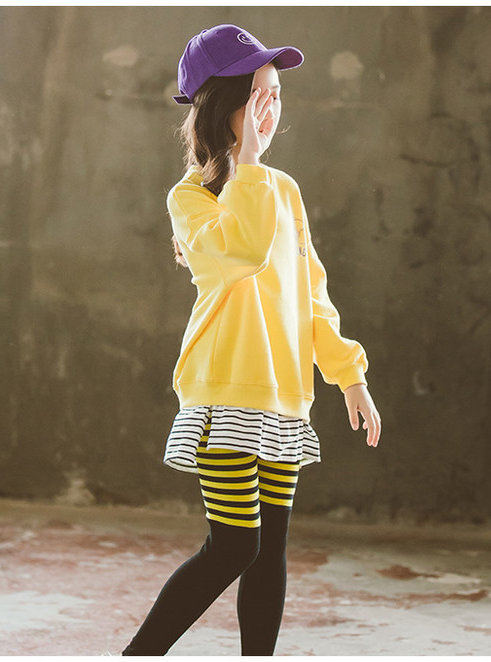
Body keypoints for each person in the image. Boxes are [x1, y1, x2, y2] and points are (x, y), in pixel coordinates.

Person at [121, 24, 381, 656]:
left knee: (270, 551)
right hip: (224, 395)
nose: (270, 108)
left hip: (284, 397)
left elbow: (311, 292)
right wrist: (250, 165)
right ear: (221, 107)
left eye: (276, 95)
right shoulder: (190, 197)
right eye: (257, 95)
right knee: (235, 545)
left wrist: (349, 374)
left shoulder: (283, 190)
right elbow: (241, 252)